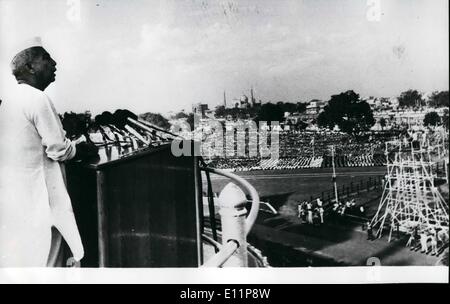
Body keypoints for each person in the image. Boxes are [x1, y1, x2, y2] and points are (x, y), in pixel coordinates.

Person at [0, 37, 98, 267]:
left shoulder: (8, 101)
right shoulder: (38, 98)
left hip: (17, 202)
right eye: (46, 58)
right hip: (42, 204)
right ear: (30, 67)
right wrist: (82, 147)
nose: (54, 63)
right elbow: (59, 151)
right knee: (48, 263)